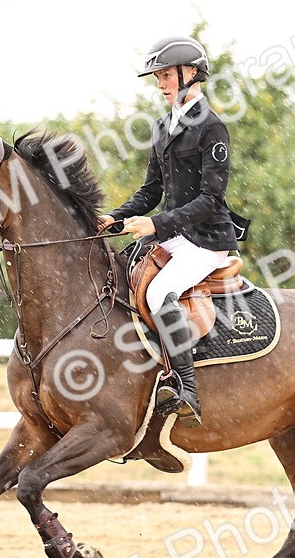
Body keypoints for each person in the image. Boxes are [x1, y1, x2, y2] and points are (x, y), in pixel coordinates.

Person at [99, 35, 242, 428]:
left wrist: (157, 224)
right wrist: (113, 217)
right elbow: (151, 191)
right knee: (120, 272)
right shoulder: (162, 126)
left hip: (206, 239)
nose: (160, 84)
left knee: (160, 291)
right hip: (174, 235)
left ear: (190, 73)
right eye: (158, 77)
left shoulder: (212, 127)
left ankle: (187, 389)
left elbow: (211, 199)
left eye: (165, 75)